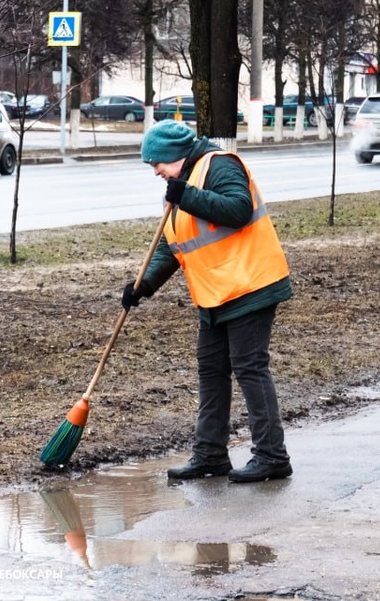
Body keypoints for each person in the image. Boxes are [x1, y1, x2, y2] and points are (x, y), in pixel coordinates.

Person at [121, 119, 294, 483]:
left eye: (157, 164)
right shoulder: (182, 185)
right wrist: (143, 285)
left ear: (176, 156)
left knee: (249, 367)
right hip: (215, 293)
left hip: (250, 284)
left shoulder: (219, 165)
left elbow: (237, 209)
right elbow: (174, 243)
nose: (155, 172)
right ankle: (211, 455)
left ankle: (272, 457)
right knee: (212, 370)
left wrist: (185, 195)